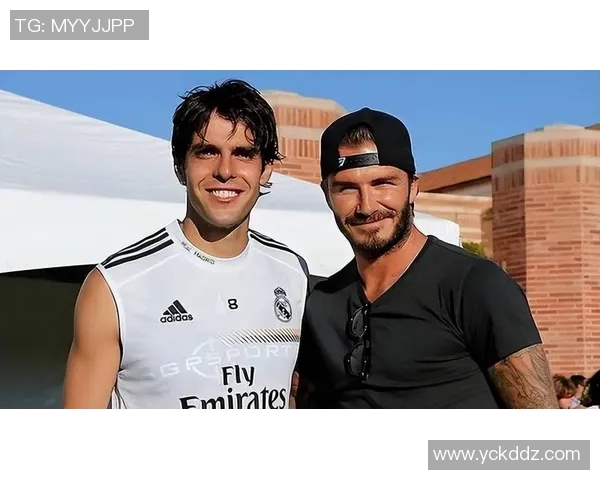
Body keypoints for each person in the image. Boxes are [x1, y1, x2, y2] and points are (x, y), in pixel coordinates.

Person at [63, 79, 309, 409]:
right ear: (180, 166)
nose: (225, 170)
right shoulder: (116, 286)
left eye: (243, 153)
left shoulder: (293, 272)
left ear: (266, 170)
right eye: (207, 152)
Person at [293, 107, 558, 409]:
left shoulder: (474, 285)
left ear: (413, 187)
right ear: (327, 194)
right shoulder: (321, 303)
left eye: (383, 183)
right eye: (346, 188)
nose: (366, 206)